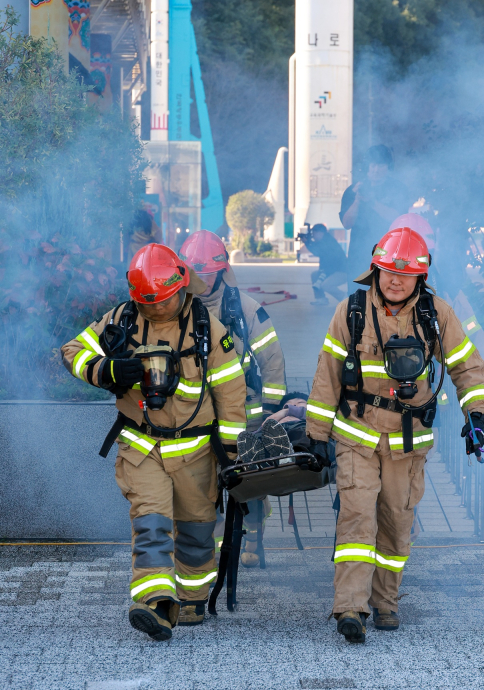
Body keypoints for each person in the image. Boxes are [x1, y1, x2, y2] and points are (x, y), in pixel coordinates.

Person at [306, 227, 484, 643]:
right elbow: (327, 373)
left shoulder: (436, 315)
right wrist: (317, 434)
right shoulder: (350, 310)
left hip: (408, 443)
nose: (394, 280)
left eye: (404, 275)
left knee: (395, 523)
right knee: (356, 518)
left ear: (420, 278)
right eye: (388, 271)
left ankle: (385, 602)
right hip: (357, 434)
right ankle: (350, 608)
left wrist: (477, 416)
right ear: (375, 268)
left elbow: (468, 368)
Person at [61, 243, 246, 641]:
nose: (157, 309)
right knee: (151, 524)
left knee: (197, 532)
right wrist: (107, 369)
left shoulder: (207, 328)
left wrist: (232, 456)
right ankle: (157, 602)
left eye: (162, 301)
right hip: (142, 447)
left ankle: (192, 599)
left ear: (180, 286)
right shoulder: (122, 319)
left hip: (196, 452)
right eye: (149, 303)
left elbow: (231, 393)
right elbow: (73, 352)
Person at [179, 230, 287, 567]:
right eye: (196, 273)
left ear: (222, 270)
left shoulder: (246, 309)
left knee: (249, 481)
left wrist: (270, 409)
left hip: (245, 413)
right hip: (197, 415)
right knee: (202, 484)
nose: (202, 281)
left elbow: (272, 359)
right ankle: (215, 547)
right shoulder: (178, 307)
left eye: (209, 273)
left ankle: (253, 538)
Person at [340, 145, 407, 281]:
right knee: (357, 296)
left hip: (390, 253)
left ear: (388, 167)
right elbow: (346, 223)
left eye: (381, 165)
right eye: (373, 165)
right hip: (358, 255)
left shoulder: (398, 189)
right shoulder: (352, 191)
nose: (376, 170)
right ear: (367, 166)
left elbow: (398, 219)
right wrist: (357, 201)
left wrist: (372, 202)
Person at [302, 223, 348, 307]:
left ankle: (347, 300)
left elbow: (317, 251)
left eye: (314, 234)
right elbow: (317, 249)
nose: (313, 236)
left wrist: (307, 243)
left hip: (342, 272)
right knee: (315, 275)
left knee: (326, 285)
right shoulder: (324, 240)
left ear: (320, 233)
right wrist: (308, 242)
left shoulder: (328, 242)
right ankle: (321, 299)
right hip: (332, 270)